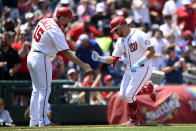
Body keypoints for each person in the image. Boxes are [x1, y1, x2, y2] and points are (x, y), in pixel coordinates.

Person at [27, 7, 91, 127]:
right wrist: (83, 65)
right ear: (61, 17)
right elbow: (67, 53)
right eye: (67, 18)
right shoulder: (55, 30)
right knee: (44, 90)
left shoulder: (44, 20)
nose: (69, 21)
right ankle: (43, 121)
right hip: (41, 57)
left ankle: (33, 121)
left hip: (32, 55)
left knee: (36, 91)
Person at [91, 16, 156, 125]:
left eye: (116, 29)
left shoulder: (139, 34)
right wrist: (100, 58)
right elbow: (114, 59)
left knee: (130, 95)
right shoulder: (120, 40)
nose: (115, 32)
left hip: (143, 68)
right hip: (131, 69)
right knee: (123, 95)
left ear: (122, 25)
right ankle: (147, 89)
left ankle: (134, 121)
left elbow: (151, 51)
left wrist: (140, 62)